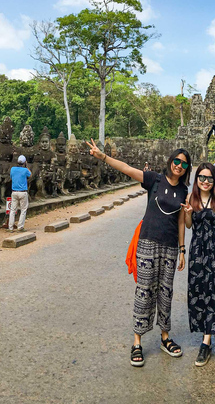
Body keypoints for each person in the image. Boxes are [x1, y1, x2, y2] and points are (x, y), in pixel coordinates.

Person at [87, 139, 190, 367]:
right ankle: (137, 342)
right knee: (144, 291)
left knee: (166, 293)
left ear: (186, 169)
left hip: (170, 247)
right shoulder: (155, 179)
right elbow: (126, 168)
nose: (178, 166)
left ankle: (165, 337)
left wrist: (183, 250)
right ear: (170, 161)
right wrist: (103, 157)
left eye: (183, 164)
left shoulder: (184, 191)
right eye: (176, 161)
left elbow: (181, 222)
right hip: (147, 244)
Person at [182, 162, 215, 367]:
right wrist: (189, 213)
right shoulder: (192, 198)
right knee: (199, 293)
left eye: (209, 178)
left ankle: (206, 341)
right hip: (198, 252)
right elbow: (189, 225)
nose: (205, 181)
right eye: (201, 177)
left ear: (214, 180)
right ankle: (204, 332)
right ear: (196, 179)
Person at [9, 155, 31, 231]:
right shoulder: (25, 170)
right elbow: (30, 175)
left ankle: (10, 227)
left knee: (12, 210)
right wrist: (27, 166)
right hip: (23, 192)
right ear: (24, 162)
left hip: (14, 192)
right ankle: (20, 227)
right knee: (23, 209)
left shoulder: (12, 169)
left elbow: (11, 177)